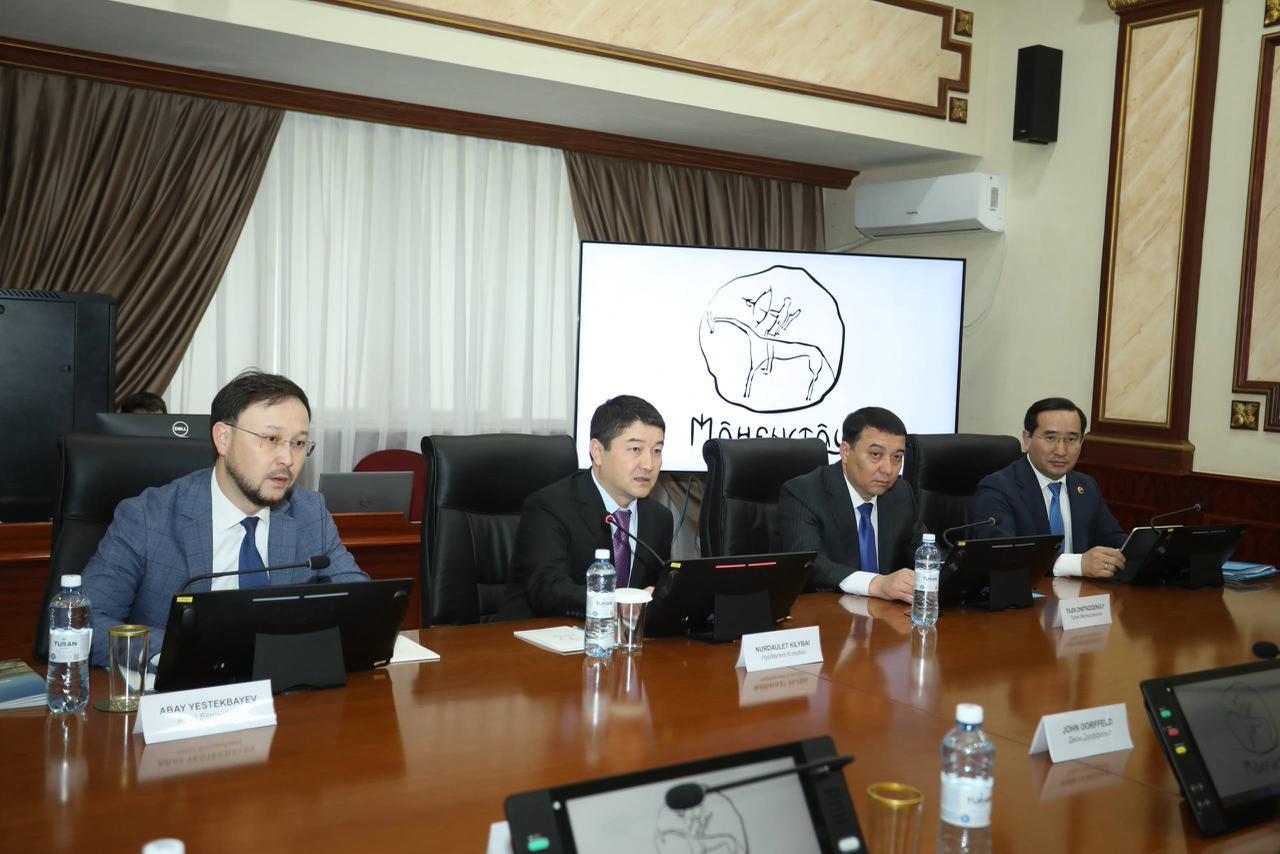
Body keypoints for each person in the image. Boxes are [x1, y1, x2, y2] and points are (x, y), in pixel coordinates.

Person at [82, 370, 368, 666]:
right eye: (271, 438)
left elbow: (363, 604)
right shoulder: (146, 517)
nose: (287, 459)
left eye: (298, 443)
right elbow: (83, 623)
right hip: (188, 688)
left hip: (284, 682)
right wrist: (181, 650)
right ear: (223, 438)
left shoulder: (310, 513)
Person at [502, 395, 674, 619]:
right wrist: (619, 603)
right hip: (539, 635)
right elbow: (548, 590)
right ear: (598, 452)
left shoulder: (659, 519)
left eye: (656, 451)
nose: (649, 464)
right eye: (635, 449)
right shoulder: (548, 507)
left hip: (622, 639)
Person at [776, 406, 925, 604]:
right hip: (828, 613)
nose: (888, 469)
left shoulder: (901, 494)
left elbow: (924, 551)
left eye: (897, 457)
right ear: (845, 452)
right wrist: (876, 584)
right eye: (875, 454)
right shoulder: (803, 493)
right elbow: (810, 564)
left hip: (887, 615)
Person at [972, 397, 1126, 579]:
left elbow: (1114, 540)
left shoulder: (1086, 486)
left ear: (1081, 442)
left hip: (1080, 593)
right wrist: (1078, 564)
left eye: (1071, 439)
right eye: (1050, 438)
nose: (1061, 451)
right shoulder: (998, 488)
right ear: (1027, 439)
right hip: (1028, 591)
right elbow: (1002, 554)